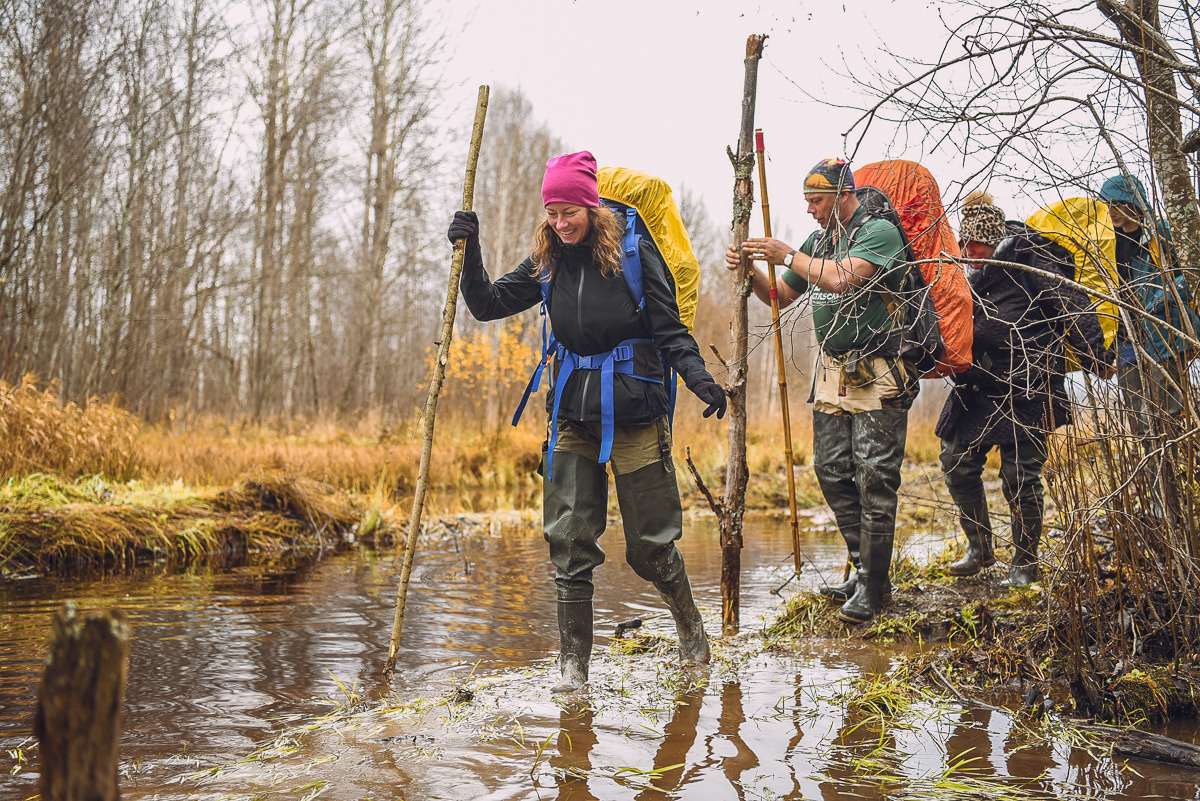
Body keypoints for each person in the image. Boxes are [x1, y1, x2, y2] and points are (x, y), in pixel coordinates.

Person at [448, 151, 727, 693]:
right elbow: (487, 304)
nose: (560, 222)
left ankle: (691, 628)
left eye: (569, 210)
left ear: (590, 204)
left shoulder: (632, 252)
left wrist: (700, 381)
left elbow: (671, 333)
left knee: (649, 546)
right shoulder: (547, 260)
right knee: (569, 545)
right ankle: (573, 673)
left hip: (636, 412)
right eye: (552, 212)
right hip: (572, 414)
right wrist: (470, 248)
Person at [724, 158, 915, 625]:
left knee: (874, 479)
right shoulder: (819, 241)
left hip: (880, 371)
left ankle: (875, 588)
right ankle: (863, 568)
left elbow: (841, 278)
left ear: (844, 194)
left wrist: (786, 254)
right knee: (831, 471)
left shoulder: (880, 233)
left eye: (818, 200)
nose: (810, 209)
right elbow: (780, 297)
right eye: (806, 200)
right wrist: (749, 271)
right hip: (832, 374)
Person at [937, 192, 1113, 587]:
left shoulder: (1031, 258)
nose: (968, 252)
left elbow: (1074, 305)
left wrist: (1096, 358)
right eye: (963, 244)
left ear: (995, 240)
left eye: (976, 245)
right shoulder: (965, 267)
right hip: (977, 384)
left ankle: (1025, 561)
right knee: (954, 460)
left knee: (1021, 476)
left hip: (1029, 385)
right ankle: (980, 547)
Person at [1100, 172, 1194, 506]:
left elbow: (1192, 274)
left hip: (1164, 338)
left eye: (1116, 204)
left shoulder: (1161, 234)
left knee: (1167, 421)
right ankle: (1163, 505)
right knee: (1141, 427)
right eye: (1106, 205)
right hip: (1126, 346)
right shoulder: (1106, 243)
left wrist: (1162, 295)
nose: (1111, 211)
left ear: (1132, 202)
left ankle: (1183, 497)